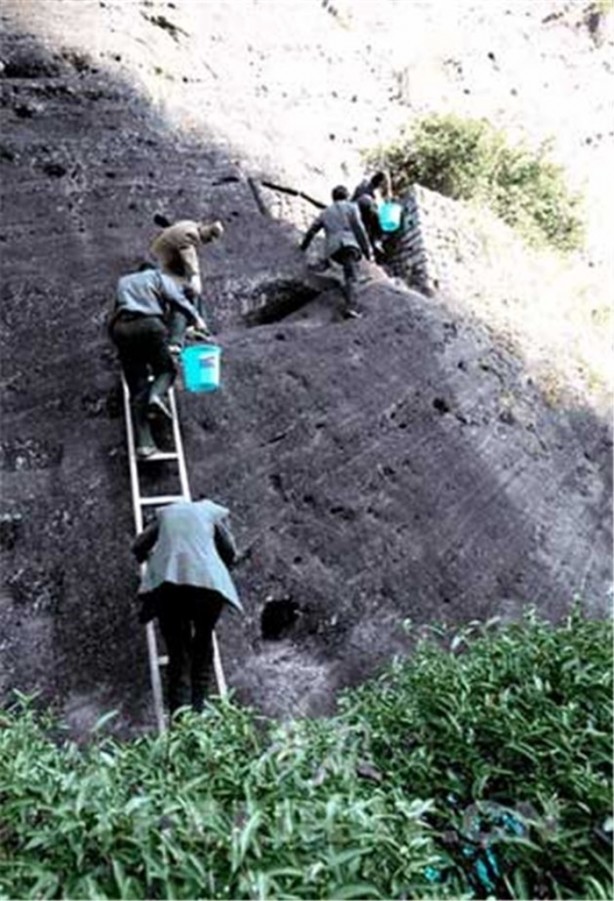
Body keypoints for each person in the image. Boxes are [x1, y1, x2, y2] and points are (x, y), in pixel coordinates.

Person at [132, 498, 243, 715]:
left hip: (171, 587)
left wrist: (147, 558)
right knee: (202, 643)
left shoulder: (166, 515)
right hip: (208, 589)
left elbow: (138, 546)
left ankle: (181, 720)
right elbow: (230, 552)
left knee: (178, 653)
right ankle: (199, 709)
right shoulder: (209, 514)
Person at [109, 265, 208, 458]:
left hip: (121, 329)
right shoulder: (157, 277)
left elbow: (115, 311)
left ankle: (145, 445)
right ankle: (155, 395)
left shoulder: (123, 281)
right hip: (149, 325)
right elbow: (178, 299)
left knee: (137, 388)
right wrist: (196, 319)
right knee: (166, 370)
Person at [300, 185, 371, 318]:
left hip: (333, 249)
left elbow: (312, 230)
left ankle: (324, 266)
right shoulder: (352, 207)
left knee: (345, 269)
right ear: (347, 195)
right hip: (349, 244)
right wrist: (367, 250)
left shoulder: (325, 212)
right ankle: (351, 307)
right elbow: (359, 228)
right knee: (351, 277)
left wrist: (303, 247)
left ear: (333, 198)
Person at [150, 217, 224, 345]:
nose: (209, 241)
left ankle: (198, 325)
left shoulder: (190, 224)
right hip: (162, 265)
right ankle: (176, 340)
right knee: (184, 297)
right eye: (210, 238)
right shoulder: (191, 234)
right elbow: (189, 257)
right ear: (206, 232)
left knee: (192, 293)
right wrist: (195, 276)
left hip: (167, 261)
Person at [351, 170, 392, 255]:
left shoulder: (363, 185)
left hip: (357, 211)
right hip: (362, 208)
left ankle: (373, 243)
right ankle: (376, 242)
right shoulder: (369, 190)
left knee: (372, 222)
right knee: (378, 220)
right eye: (381, 184)